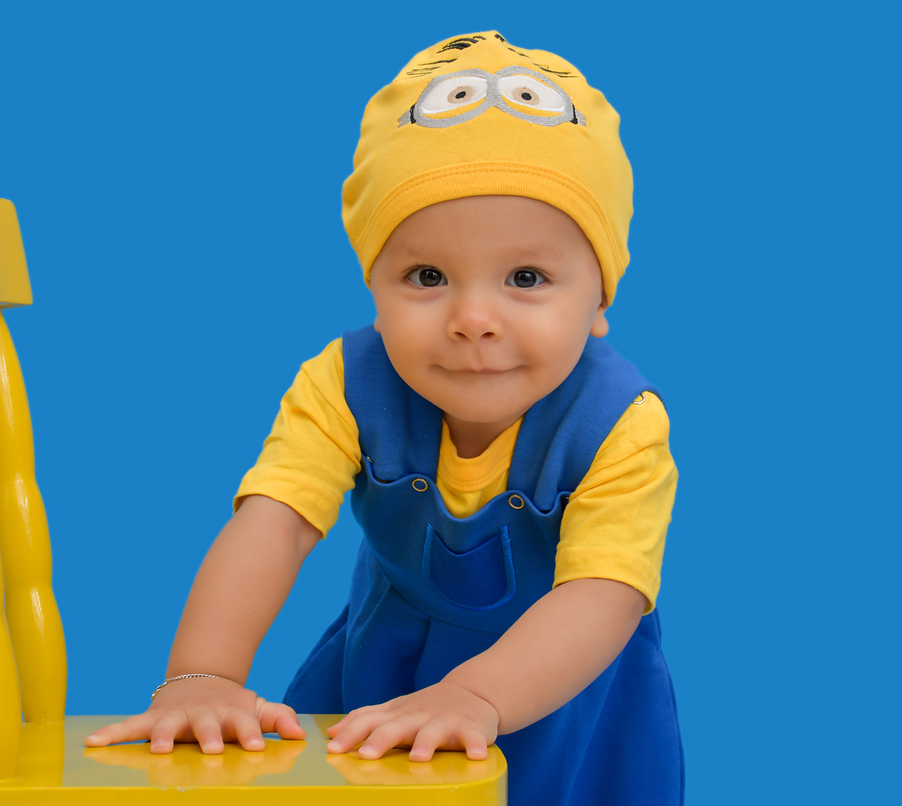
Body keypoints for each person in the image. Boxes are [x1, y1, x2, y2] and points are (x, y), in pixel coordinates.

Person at [86, 31, 683, 805]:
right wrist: (203, 676)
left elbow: (603, 593)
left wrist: (478, 696)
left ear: (600, 298)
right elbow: (275, 523)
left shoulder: (618, 423)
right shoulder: (346, 383)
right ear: (374, 283)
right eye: (427, 276)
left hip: (567, 688)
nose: (473, 320)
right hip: (394, 663)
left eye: (526, 277)